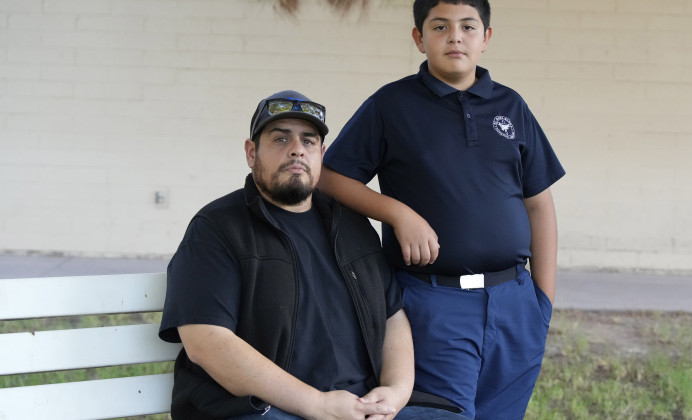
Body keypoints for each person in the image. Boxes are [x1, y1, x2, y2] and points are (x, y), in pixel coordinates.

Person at [318, 1, 566, 419]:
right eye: (440, 26)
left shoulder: (511, 106)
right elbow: (331, 178)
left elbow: (539, 205)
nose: (455, 36)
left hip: (515, 304)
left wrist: (542, 301)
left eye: (468, 26)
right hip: (433, 300)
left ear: (485, 38)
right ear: (419, 38)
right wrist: (397, 213)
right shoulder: (391, 105)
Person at [159, 90, 465, 420]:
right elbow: (205, 342)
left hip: (360, 404)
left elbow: (393, 317)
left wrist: (394, 393)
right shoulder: (218, 228)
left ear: (321, 154)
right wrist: (316, 404)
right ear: (251, 153)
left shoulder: (352, 226)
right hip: (264, 407)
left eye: (309, 141)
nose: (296, 150)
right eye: (280, 139)